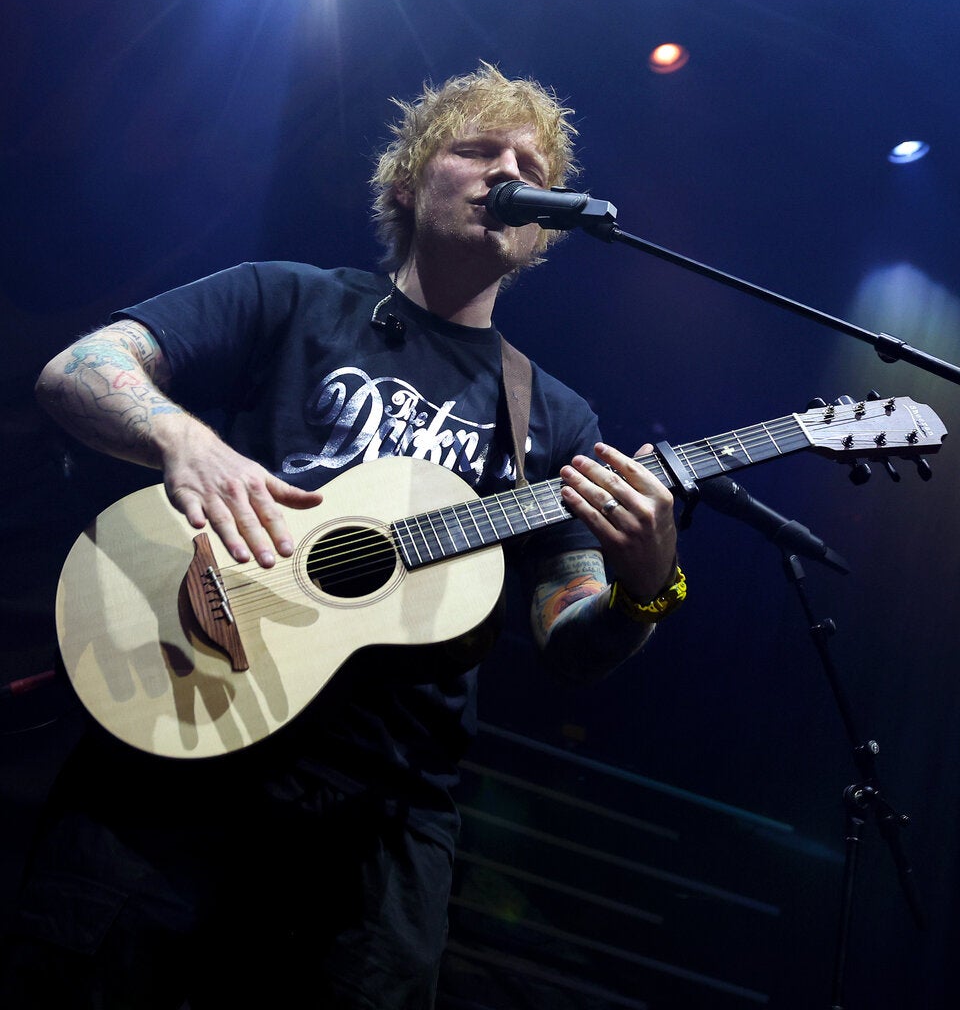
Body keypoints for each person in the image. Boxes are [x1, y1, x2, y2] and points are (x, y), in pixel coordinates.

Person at [5, 63, 682, 1008]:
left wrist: (648, 586)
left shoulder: (554, 419)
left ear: (544, 229)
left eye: (530, 163)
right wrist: (182, 441)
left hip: (378, 827)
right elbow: (80, 368)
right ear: (406, 179)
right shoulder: (286, 298)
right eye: (479, 148)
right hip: (178, 739)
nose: (509, 170)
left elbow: (573, 636)